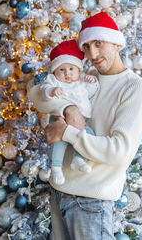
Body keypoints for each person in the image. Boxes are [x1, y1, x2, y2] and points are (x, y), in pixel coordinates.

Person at [29, 12, 142, 240]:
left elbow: (119, 152)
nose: (92, 53)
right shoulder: (84, 77)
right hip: (60, 193)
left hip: (91, 202)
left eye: (98, 43)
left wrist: (67, 132)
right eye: (86, 46)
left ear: (117, 42)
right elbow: (36, 94)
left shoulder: (135, 88)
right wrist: (69, 108)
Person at [36, 39, 99, 185]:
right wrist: (52, 91)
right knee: (60, 140)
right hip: (60, 118)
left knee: (88, 135)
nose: (67, 74)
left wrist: (92, 81)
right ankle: (56, 166)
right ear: (55, 72)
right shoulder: (54, 80)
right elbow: (43, 90)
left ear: (78, 70)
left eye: (71, 69)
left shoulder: (81, 80)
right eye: (61, 70)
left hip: (81, 120)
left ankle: (78, 159)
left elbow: (91, 91)